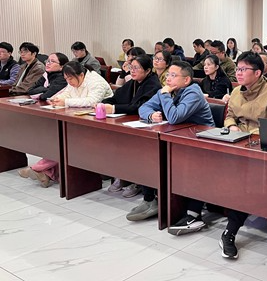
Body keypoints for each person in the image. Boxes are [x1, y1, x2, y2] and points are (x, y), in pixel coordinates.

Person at [219, 51, 267, 259]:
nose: (238, 73)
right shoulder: (236, 91)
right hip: (236, 142)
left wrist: (253, 135)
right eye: (237, 69)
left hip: (264, 147)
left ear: (258, 72)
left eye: (244, 69)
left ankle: (230, 230)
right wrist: (232, 127)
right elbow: (229, 116)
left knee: (247, 182)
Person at [131, 61, 215, 222]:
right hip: (177, 138)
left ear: (186, 80)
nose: (168, 79)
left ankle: (189, 210)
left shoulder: (193, 93)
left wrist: (164, 95)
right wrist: (151, 115)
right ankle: (150, 200)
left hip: (200, 142)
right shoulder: (168, 90)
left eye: (173, 75)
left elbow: (175, 117)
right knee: (147, 153)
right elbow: (143, 108)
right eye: (168, 74)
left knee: (170, 161)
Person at [20, 61, 113, 188]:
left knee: (66, 142)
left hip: (99, 124)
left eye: (70, 78)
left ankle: (38, 168)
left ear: (81, 75)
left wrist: (66, 102)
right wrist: (57, 99)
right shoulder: (74, 79)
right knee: (59, 138)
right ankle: (46, 173)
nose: (68, 81)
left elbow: (92, 101)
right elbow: (67, 93)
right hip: (79, 119)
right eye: (66, 79)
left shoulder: (96, 82)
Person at [99, 54, 162, 195]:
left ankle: (138, 181)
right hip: (127, 123)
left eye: (136, 68)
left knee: (133, 149)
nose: (132, 71)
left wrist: (113, 108)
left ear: (147, 70)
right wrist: (104, 103)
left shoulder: (153, 85)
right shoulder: (133, 82)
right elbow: (116, 97)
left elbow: (139, 107)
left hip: (147, 126)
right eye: (131, 67)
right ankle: (123, 176)